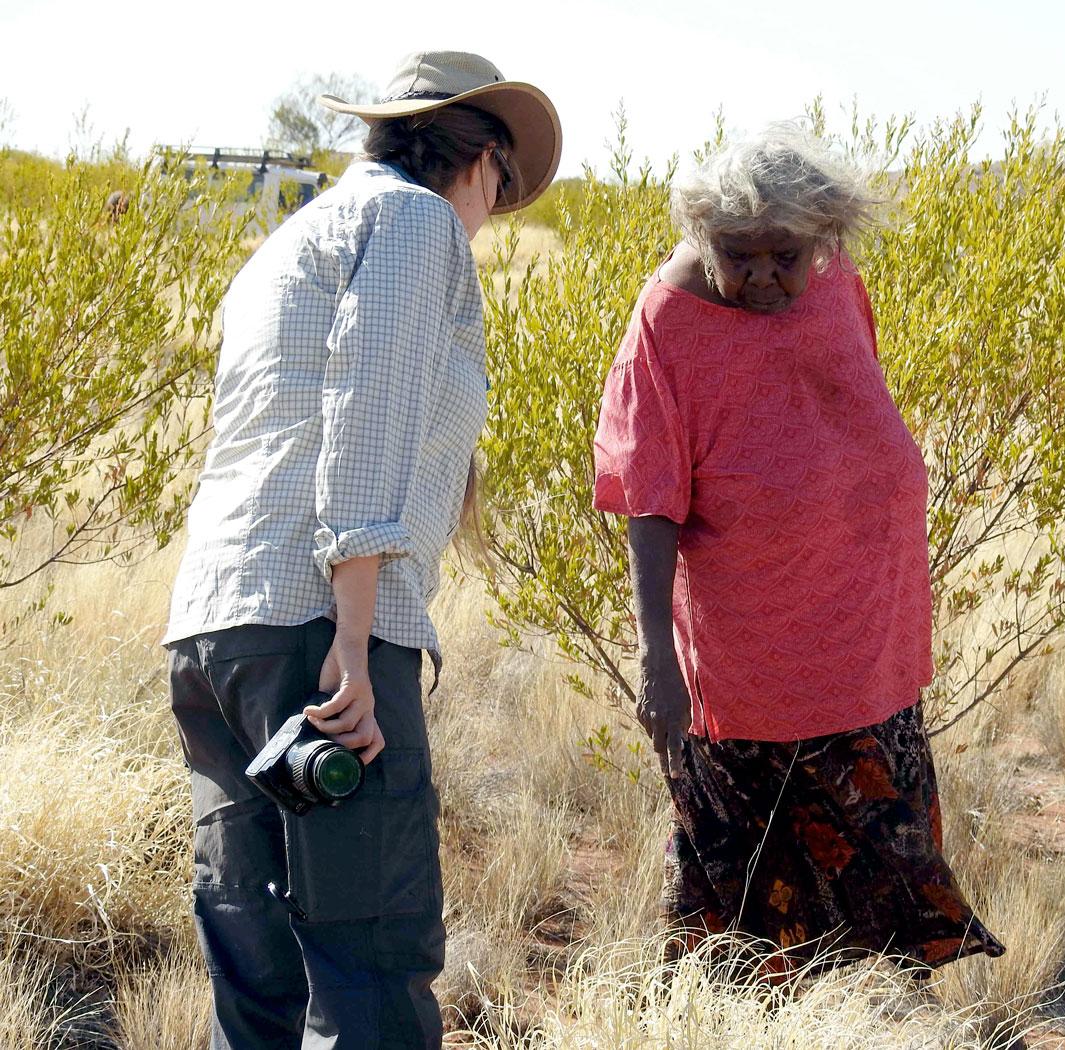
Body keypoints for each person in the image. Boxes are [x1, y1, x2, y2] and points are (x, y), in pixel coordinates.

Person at [163, 51, 560, 1049]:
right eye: (502, 185)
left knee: (257, 977)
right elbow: (367, 407)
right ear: (474, 157)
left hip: (218, 631)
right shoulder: (416, 221)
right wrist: (355, 632)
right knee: (367, 966)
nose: (493, 208)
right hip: (317, 631)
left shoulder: (290, 239)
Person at [592, 125, 1005, 971]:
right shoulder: (667, 322)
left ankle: (878, 1016)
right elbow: (648, 500)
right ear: (705, 238)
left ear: (824, 241)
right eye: (739, 256)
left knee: (881, 862)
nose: (764, 278)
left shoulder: (835, 283)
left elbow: (849, 412)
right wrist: (658, 663)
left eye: (786, 256)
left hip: (859, 633)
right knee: (746, 885)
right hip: (748, 655)